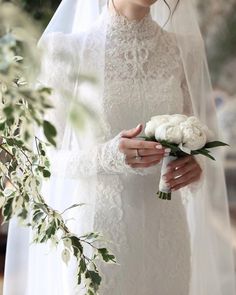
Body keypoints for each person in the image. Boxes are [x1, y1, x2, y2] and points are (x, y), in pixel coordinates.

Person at [3, 0, 236, 294]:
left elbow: (200, 138)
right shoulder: (66, 52)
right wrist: (107, 156)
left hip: (166, 235)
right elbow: (41, 159)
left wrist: (195, 166)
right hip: (99, 236)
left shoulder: (183, 51)